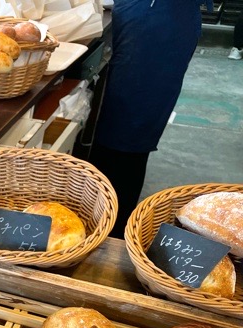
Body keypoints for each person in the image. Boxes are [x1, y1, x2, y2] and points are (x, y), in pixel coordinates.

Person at [89, 0, 202, 238]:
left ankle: (111, 233)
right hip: (150, 13)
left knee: (129, 129)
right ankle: (103, 222)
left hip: (158, 16)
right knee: (119, 128)